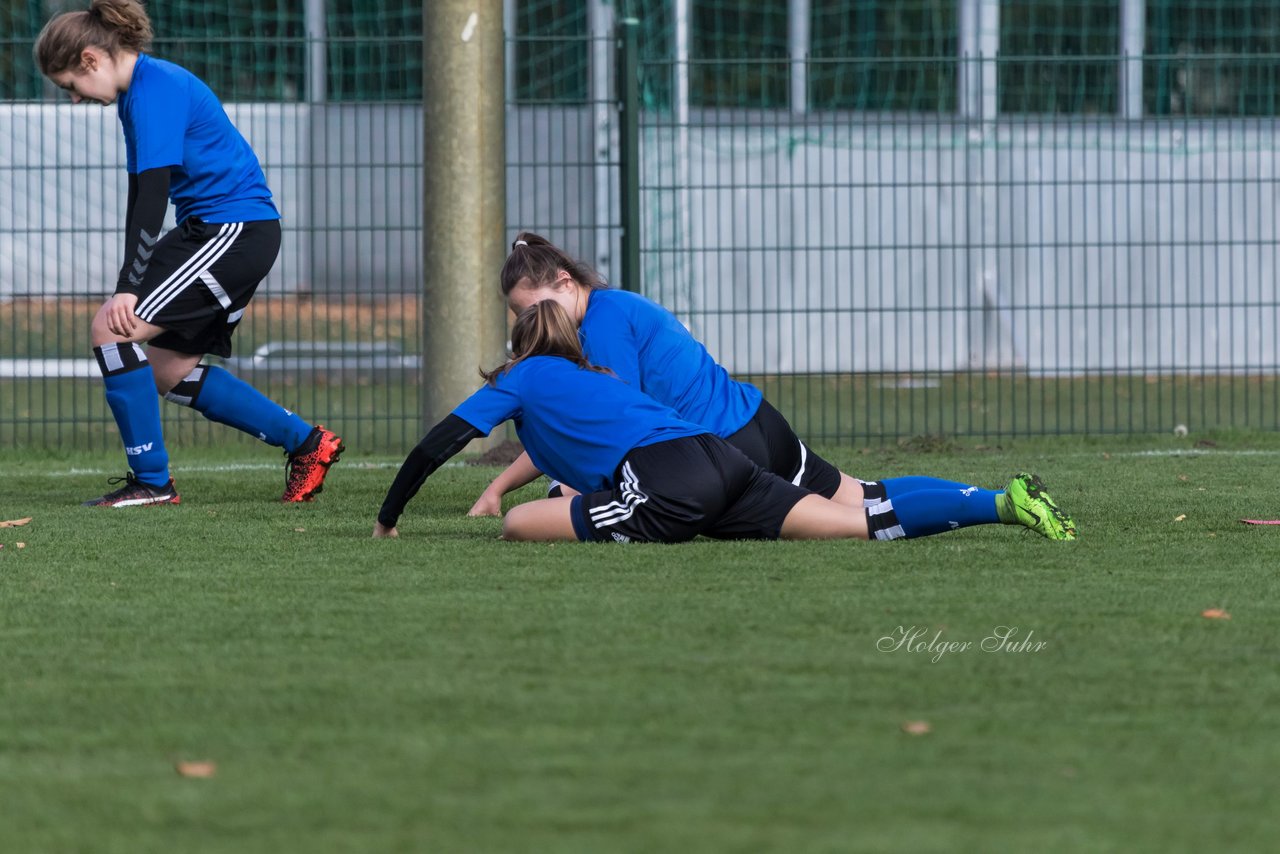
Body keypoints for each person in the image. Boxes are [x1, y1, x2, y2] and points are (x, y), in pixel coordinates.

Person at [375, 300, 1078, 544]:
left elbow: (441, 441)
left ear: (521, 345)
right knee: (862, 515)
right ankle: (1000, 503)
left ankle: (999, 504)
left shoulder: (522, 377)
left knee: (518, 526)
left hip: (668, 481)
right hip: (723, 456)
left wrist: (388, 516)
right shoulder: (592, 375)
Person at [36, 0, 343, 507]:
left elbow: (153, 196)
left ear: (91, 59)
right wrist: (128, 282)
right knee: (166, 369)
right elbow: (142, 192)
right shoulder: (140, 92)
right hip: (216, 231)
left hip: (231, 231)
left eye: (70, 85)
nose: (73, 99)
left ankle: (153, 484)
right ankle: (309, 445)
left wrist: (128, 288)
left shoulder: (155, 90)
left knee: (111, 330)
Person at [468, 232, 980, 519]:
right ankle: (992, 500)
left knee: (860, 521)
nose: (527, 323)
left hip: (726, 451)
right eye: (518, 316)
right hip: (756, 421)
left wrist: (502, 492)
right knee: (867, 497)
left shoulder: (601, 327)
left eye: (532, 307)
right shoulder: (612, 305)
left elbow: (600, 426)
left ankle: (995, 505)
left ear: (564, 281)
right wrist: (501, 489)